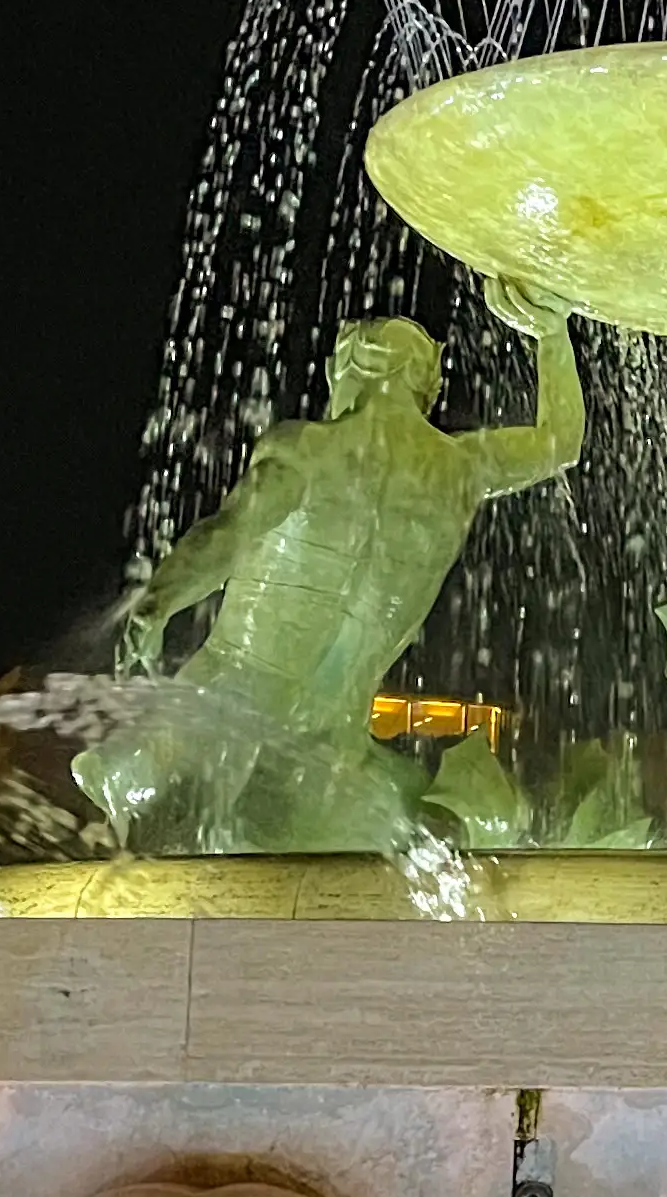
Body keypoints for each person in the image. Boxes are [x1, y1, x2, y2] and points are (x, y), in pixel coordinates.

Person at [86, 280, 580, 852]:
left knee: (159, 854)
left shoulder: (310, 450)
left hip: (219, 718)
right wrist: (550, 333)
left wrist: (157, 604)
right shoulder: (462, 469)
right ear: (428, 386)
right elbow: (560, 442)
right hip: (331, 748)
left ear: (355, 365)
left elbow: (228, 536)